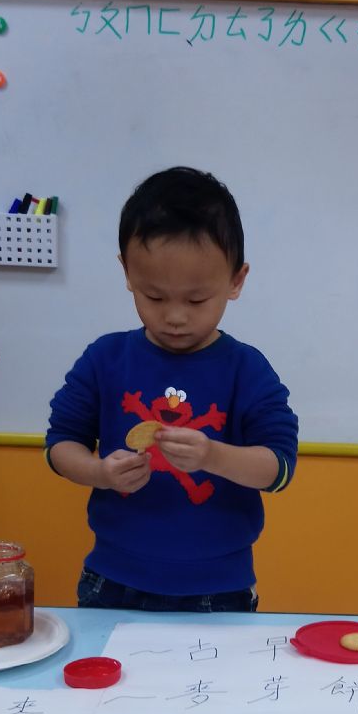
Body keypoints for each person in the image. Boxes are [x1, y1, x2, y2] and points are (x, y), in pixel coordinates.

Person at [46, 166, 298, 612]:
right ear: (127, 272)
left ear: (236, 280)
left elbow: (278, 469)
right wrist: (99, 473)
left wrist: (212, 456)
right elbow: (60, 445)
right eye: (154, 297)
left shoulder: (247, 369)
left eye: (197, 299)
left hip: (218, 588)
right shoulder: (105, 359)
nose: (175, 317)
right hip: (113, 581)